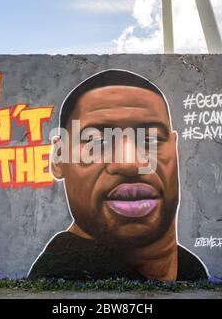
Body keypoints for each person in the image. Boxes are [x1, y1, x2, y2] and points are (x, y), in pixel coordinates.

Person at [28, 69, 208, 282]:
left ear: (175, 149)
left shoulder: (191, 271)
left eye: (150, 139)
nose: (130, 163)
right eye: (96, 141)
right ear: (58, 157)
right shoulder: (65, 278)